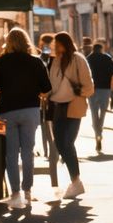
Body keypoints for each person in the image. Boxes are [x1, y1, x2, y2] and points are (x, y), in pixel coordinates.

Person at [0, 28, 52, 208]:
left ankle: (15, 193)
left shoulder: (1, 62)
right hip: (30, 110)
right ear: (26, 41)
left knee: (11, 154)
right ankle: (28, 192)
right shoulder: (36, 62)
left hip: (7, 110)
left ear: (8, 42)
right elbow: (46, 89)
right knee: (27, 153)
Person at [45, 32, 94, 201]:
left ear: (65, 43)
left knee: (67, 143)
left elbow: (89, 86)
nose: (55, 47)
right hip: (57, 107)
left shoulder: (77, 59)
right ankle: (75, 181)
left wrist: (78, 91)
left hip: (74, 105)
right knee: (60, 144)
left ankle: (76, 181)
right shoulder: (54, 60)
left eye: (57, 44)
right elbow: (51, 84)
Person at [85, 42, 113, 154]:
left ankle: (97, 133)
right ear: (101, 49)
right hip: (105, 89)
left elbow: (85, 74)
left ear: (93, 49)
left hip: (92, 89)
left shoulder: (88, 59)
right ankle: (100, 131)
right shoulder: (107, 58)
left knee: (94, 113)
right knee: (103, 112)